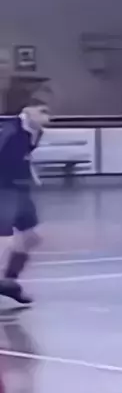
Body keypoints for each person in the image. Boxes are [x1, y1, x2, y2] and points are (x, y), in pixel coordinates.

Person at [0, 98, 51, 305]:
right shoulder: (9, 130)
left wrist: (30, 174)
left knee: (31, 238)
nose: (48, 118)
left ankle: (9, 282)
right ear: (28, 111)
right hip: (4, 189)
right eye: (42, 111)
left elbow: (24, 156)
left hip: (20, 189)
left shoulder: (37, 132)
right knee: (5, 239)